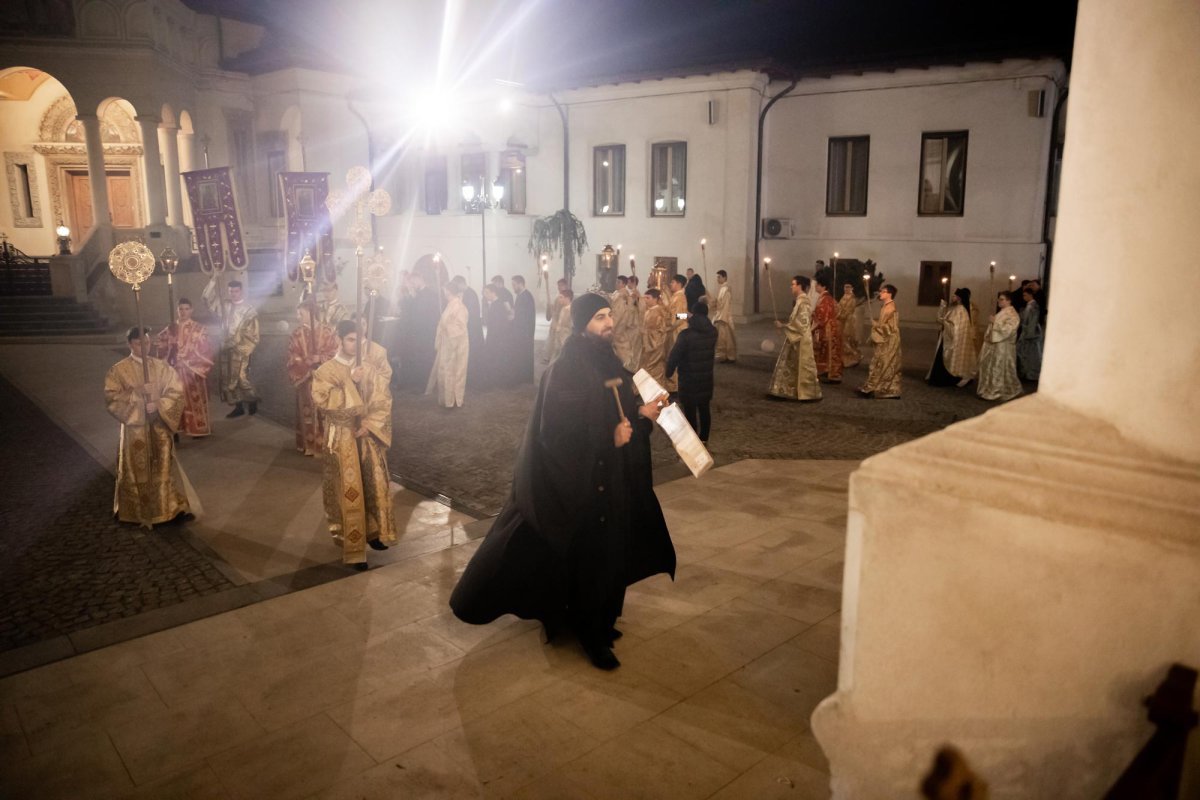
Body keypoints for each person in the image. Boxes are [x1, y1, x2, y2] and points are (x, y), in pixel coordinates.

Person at [450, 293, 675, 670]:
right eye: (600, 317)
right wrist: (612, 436)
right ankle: (591, 636)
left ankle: (602, 622)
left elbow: (616, 413)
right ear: (582, 323)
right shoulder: (567, 369)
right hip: (585, 487)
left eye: (609, 315)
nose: (608, 323)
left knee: (612, 556)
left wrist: (643, 413)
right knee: (589, 560)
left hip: (612, 482)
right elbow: (558, 433)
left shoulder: (608, 360)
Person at [311, 320, 398, 569]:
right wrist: (350, 380)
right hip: (341, 439)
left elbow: (382, 397)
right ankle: (354, 547)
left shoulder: (369, 367)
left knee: (373, 483)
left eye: (359, 340)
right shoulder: (326, 370)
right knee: (349, 492)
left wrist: (369, 424)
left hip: (366, 434)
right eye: (350, 339)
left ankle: (374, 532)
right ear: (339, 339)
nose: (356, 344)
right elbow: (324, 402)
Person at [105, 326, 197, 527]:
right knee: (137, 470)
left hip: (158, 426)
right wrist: (137, 394)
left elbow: (176, 393)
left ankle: (168, 509)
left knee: (163, 468)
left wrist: (159, 404)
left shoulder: (162, 367)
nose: (144, 347)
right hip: (134, 430)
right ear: (130, 344)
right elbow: (112, 398)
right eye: (139, 343)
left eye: (146, 343)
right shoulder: (118, 370)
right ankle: (138, 511)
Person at [155, 297, 213, 437]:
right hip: (174, 371)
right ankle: (175, 428)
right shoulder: (170, 329)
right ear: (177, 310)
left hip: (191, 371)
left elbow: (206, 350)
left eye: (187, 309)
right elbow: (160, 345)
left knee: (193, 401)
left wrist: (187, 361)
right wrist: (170, 346)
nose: (184, 312)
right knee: (174, 400)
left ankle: (197, 429)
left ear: (191, 310)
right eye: (181, 309)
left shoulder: (199, 329)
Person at [286, 304, 339, 455]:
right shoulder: (296, 334)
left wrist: (320, 358)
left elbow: (336, 353)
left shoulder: (328, 332)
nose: (298, 316)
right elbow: (292, 355)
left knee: (325, 412)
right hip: (306, 380)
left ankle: (326, 443)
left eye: (300, 313)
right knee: (307, 411)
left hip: (324, 381)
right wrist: (304, 363)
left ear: (311, 313)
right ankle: (309, 444)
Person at [205, 278, 259, 417]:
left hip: (240, 349)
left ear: (241, 291)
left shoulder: (249, 311)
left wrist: (239, 344)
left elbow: (253, 333)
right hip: (226, 348)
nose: (233, 294)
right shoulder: (224, 306)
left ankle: (252, 399)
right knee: (228, 378)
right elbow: (206, 299)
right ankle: (238, 405)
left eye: (236, 291)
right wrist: (213, 280)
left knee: (241, 376)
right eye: (231, 291)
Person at [666, 301, 718, 442]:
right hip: (706, 379)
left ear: (693, 314)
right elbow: (694, 318)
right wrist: (688, 315)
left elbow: (674, 356)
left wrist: (668, 372)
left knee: (689, 411)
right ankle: (704, 438)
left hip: (688, 380)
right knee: (704, 409)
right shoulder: (713, 332)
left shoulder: (685, 335)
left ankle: (693, 440)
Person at [768, 275, 822, 401]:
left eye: (793, 284)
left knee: (800, 366)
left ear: (799, 286)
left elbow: (802, 324)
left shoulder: (804, 302)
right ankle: (788, 390)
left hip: (800, 340)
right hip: (796, 337)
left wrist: (784, 326)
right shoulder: (800, 300)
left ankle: (806, 393)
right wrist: (786, 326)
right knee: (791, 365)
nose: (791, 287)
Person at [427, 280, 469, 408]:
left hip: (456, 344)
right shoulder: (450, 304)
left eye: (445, 290)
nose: (443, 292)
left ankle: (454, 400)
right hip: (447, 343)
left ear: (449, 291)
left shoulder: (459, 306)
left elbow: (460, 327)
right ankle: (446, 399)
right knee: (445, 370)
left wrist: (446, 327)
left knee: (455, 371)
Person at [927, 288, 978, 388]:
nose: (952, 297)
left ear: (959, 298)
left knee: (944, 358)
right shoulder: (956, 309)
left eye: (954, 296)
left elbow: (953, 326)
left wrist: (943, 321)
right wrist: (942, 309)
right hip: (947, 338)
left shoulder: (960, 310)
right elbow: (944, 320)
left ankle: (945, 380)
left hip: (950, 340)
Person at [858, 284, 903, 399]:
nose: (880, 293)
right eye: (880, 291)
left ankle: (883, 388)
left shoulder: (890, 308)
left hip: (889, 341)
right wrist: (878, 324)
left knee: (884, 363)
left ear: (889, 294)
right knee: (880, 363)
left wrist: (877, 325)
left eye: (883, 291)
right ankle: (875, 386)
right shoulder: (886, 306)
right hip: (886, 339)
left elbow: (891, 327)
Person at [398, 269, 439, 391]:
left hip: (426, 333)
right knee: (419, 358)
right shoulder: (419, 294)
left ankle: (424, 385)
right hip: (418, 333)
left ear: (418, 279)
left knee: (425, 358)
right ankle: (419, 383)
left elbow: (426, 315)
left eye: (413, 282)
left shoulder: (430, 294)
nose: (412, 285)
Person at [977, 291, 1023, 401]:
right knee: (992, 368)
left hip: (1004, 347)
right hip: (996, 345)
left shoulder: (1012, 314)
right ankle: (990, 389)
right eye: (999, 299)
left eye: (1002, 299)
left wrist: (995, 322)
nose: (999, 301)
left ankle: (997, 392)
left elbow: (1009, 330)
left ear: (1009, 301)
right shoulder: (1002, 312)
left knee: (1000, 369)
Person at [453, 275, 486, 387]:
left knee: (473, 355)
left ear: (461, 283)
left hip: (473, 330)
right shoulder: (468, 293)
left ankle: (474, 380)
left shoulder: (470, 294)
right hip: (470, 328)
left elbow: (469, 313)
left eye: (457, 286)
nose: (456, 288)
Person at [482, 283, 516, 387]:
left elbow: (500, 324)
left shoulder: (499, 305)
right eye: (484, 293)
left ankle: (497, 381)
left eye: (487, 293)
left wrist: (492, 338)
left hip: (497, 338)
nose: (485, 295)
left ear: (493, 293)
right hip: (494, 336)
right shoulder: (495, 304)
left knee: (497, 358)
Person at [811, 278, 843, 384]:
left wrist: (814, 322)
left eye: (818, 285)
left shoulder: (826, 299)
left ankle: (834, 374)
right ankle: (826, 370)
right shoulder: (826, 298)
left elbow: (823, 316)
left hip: (828, 329)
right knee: (826, 351)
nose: (816, 287)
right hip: (829, 327)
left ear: (823, 286)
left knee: (830, 351)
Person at [639, 288, 670, 385]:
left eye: (648, 298)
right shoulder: (651, 310)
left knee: (653, 366)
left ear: (655, 299)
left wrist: (686, 316)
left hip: (654, 343)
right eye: (645, 298)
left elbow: (674, 317)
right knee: (649, 365)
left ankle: (654, 389)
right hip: (650, 342)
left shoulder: (657, 311)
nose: (645, 300)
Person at [611, 275, 641, 372]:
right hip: (629, 328)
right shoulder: (627, 295)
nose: (627, 285)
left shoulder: (679, 298)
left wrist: (685, 317)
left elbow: (675, 315)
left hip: (634, 328)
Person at [665, 274, 689, 392]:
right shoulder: (676, 296)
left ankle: (675, 385)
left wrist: (668, 325)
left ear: (679, 284)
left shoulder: (679, 297)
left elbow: (680, 316)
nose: (671, 284)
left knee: (675, 355)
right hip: (677, 328)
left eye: (673, 282)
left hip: (677, 330)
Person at [512, 274, 536, 383]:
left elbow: (527, 317)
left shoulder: (526, 296)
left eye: (514, 285)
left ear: (520, 284)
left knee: (525, 355)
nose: (513, 287)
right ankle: (522, 376)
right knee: (522, 354)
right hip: (521, 331)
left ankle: (525, 378)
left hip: (525, 332)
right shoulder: (521, 296)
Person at [1016, 288, 1043, 381]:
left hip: (1030, 334)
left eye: (1025, 295)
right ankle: (1026, 373)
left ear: (1030, 295)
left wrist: (1028, 335)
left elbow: (1032, 321)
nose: (1024, 297)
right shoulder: (1029, 306)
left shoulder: (1032, 306)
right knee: (1023, 353)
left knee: (1029, 354)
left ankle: (1030, 374)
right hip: (1027, 331)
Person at [711, 269, 737, 363]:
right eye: (717, 277)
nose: (717, 279)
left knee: (725, 338)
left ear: (724, 277)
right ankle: (726, 355)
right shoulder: (723, 288)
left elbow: (725, 305)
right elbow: (719, 303)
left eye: (719, 277)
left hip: (723, 317)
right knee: (723, 338)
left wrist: (720, 317)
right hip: (721, 316)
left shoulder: (725, 289)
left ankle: (726, 355)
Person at [543, 279, 570, 364]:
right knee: (552, 345)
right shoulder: (557, 297)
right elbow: (551, 314)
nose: (559, 287)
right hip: (554, 326)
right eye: (558, 285)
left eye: (561, 285)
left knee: (559, 348)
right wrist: (549, 306)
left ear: (565, 286)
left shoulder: (566, 298)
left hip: (562, 327)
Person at [838, 282, 861, 368]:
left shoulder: (852, 299)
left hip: (849, 320)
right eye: (845, 288)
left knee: (848, 337)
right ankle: (843, 356)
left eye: (848, 288)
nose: (846, 289)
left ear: (851, 288)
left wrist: (843, 314)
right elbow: (839, 306)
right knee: (842, 337)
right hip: (842, 319)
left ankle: (852, 356)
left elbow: (849, 309)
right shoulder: (843, 297)